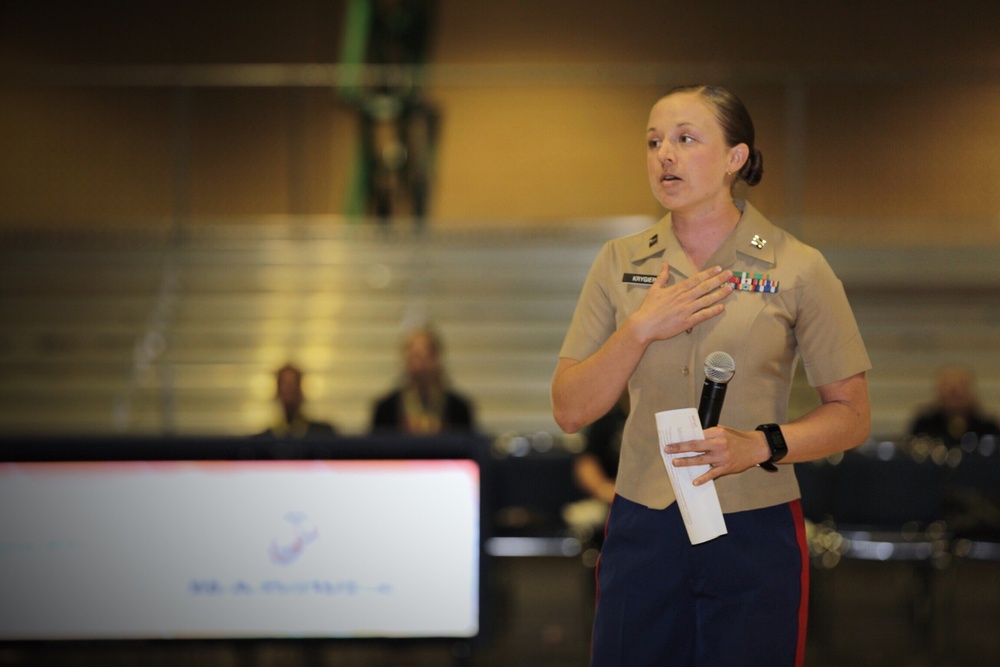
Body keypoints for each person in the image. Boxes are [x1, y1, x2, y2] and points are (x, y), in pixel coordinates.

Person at [551, 85, 872, 666]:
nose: (664, 155)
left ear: (735, 159)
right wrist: (642, 328)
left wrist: (761, 445)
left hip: (754, 524)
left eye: (684, 139)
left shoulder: (799, 266)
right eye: (653, 142)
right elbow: (570, 409)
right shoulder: (619, 262)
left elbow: (852, 415)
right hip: (642, 524)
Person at [371, 325, 476, 434]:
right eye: (415, 356)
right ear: (405, 360)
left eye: (426, 356)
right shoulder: (386, 409)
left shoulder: (458, 409)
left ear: (437, 359)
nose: (421, 364)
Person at [908, 365, 999, 448]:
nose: (955, 391)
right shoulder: (924, 426)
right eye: (947, 386)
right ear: (938, 391)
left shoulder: (987, 428)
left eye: (961, 385)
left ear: (972, 392)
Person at [258, 363, 337, 439]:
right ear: (277, 392)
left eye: (293, 385)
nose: (290, 390)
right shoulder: (263, 440)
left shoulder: (322, 434)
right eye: (285, 386)